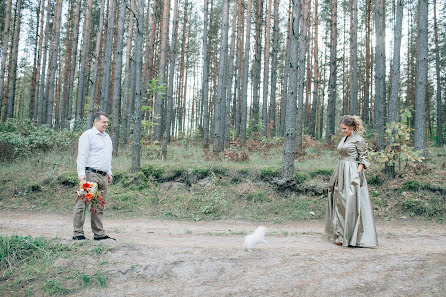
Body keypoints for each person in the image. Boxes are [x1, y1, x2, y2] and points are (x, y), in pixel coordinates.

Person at [325, 115, 378, 247]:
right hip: (341, 171)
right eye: (342, 128)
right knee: (339, 202)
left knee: (350, 204)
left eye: (345, 128)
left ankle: (352, 237)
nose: (343, 131)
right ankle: (340, 235)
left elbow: (363, 159)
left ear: (352, 127)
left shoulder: (359, 140)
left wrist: (357, 174)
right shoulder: (344, 138)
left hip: (352, 173)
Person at [73, 112, 115, 241]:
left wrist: (109, 172)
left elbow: (108, 156)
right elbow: (82, 156)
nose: (106, 124)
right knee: (83, 203)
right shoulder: (88, 135)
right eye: (104, 122)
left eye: (107, 122)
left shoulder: (107, 137)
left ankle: (99, 234)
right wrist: (81, 175)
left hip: (103, 176)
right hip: (90, 174)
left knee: (98, 206)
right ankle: (78, 233)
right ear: (96, 122)